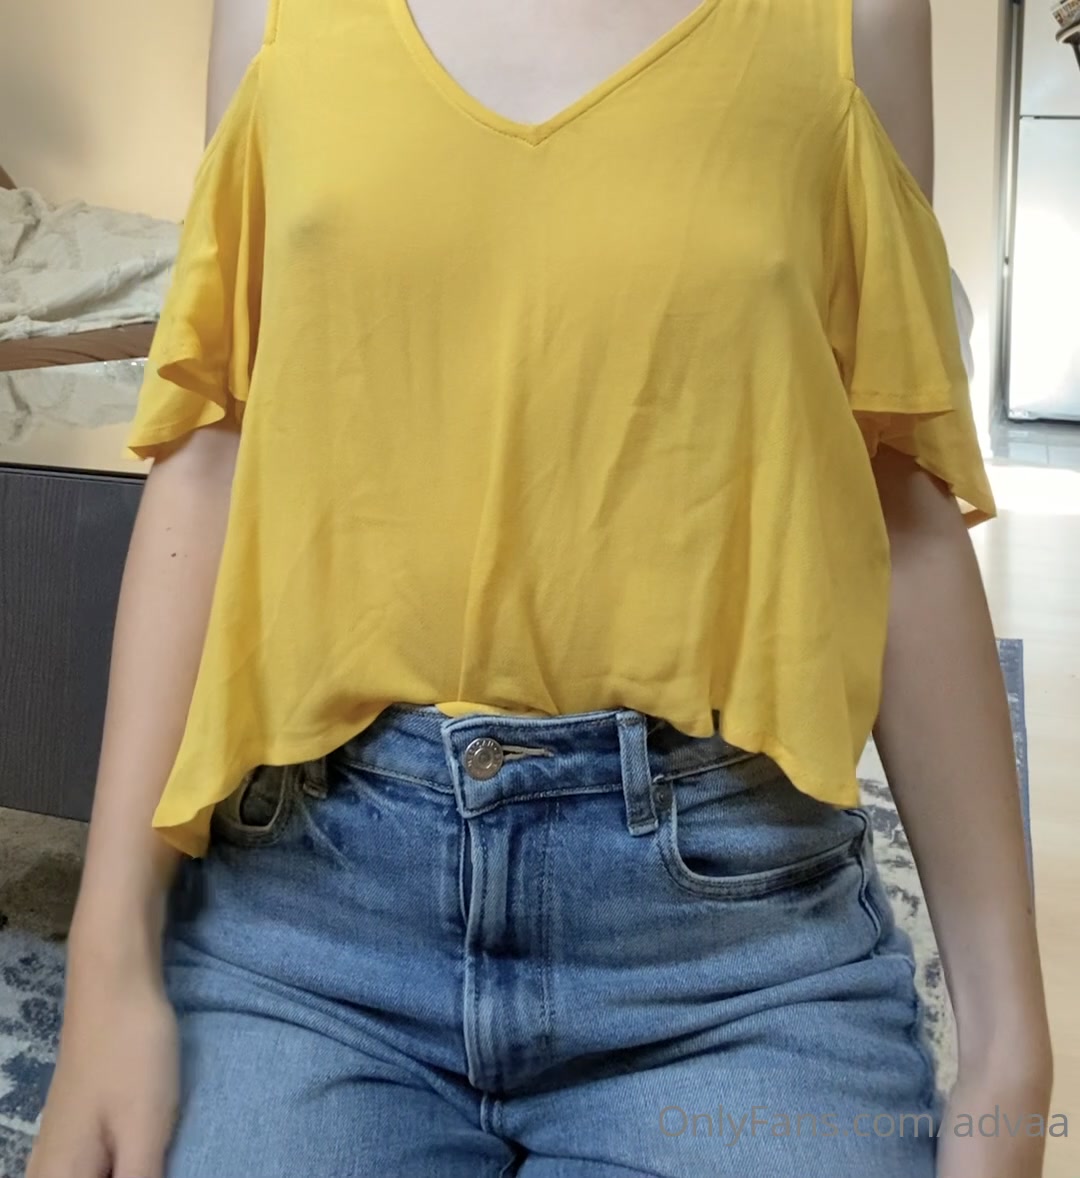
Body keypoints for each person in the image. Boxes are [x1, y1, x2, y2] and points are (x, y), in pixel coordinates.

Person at [27, 0, 1052, 1175]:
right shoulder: (269, 16)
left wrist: (1010, 1050)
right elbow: (216, 457)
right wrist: (107, 963)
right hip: (310, 913)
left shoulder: (855, 19)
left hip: (731, 953)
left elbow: (895, 501)